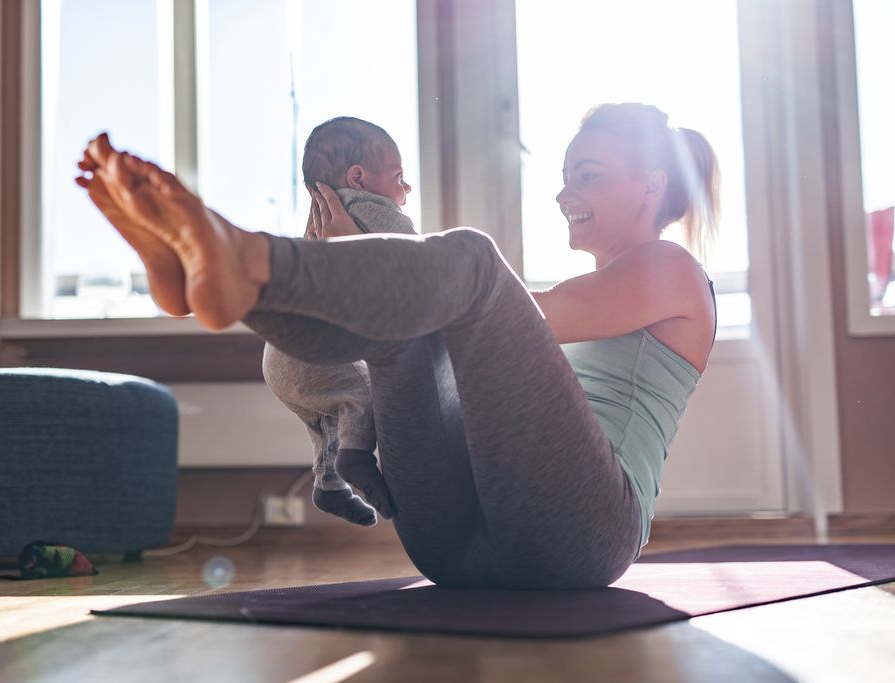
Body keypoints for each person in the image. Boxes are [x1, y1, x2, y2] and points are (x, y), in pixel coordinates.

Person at [76, 102, 719, 590]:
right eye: (565, 177)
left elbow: (518, 311)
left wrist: (368, 256)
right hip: (456, 544)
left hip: (586, 532)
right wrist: (364, 268)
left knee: (474, 263)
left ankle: (246, 261)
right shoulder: (597, 285)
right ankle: (219, 284)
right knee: (405, 329)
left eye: (587, 176)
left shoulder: (671, 268)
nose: (562, 195)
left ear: (651, 187)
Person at [262, 117, 415, 527]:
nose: (407, 188)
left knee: (330, 417)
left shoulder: (322, 218)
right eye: (399, 176)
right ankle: (357, 459)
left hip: (281, 356)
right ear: (359, 178)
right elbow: (419, 259)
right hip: (313, 350)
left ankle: (327, 482)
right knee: (361, 394)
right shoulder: (368, 207)